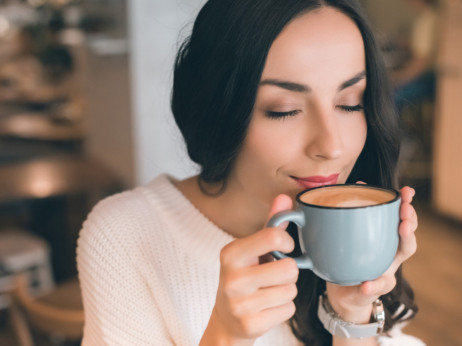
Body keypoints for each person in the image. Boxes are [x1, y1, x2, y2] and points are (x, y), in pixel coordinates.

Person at [77, 0, 423, 345]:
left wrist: (351, 313)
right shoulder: (124, 235)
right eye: (284, 110)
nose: (331, 147)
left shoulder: (353, 230)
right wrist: (225, 336)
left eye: (350, 103)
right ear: (219, 110)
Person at [392, 0, 439, 112]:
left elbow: (421, 64)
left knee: (392, 97)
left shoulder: (428, 20)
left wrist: (398, 79)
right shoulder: (429, 16)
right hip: (429, 75)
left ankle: (388, 129)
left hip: (429, 77)